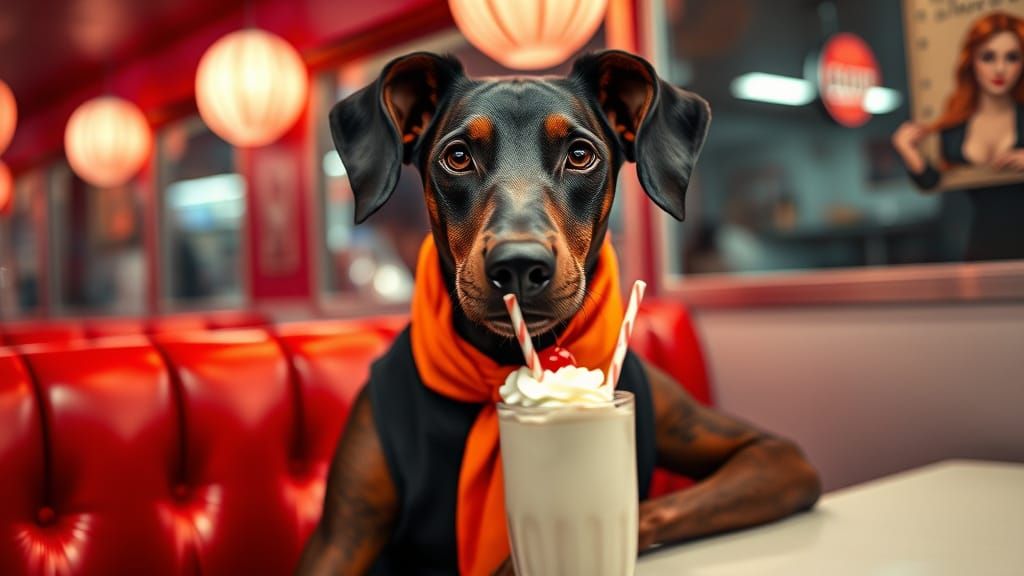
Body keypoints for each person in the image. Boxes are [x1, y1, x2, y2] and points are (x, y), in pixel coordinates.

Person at [892, 11, 1024, 260]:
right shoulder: (955, 126)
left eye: (1012, 58)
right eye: (988, 57)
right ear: (971, 60)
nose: (999, 68)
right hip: (984, 245)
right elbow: (933, 180)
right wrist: (907, 151)